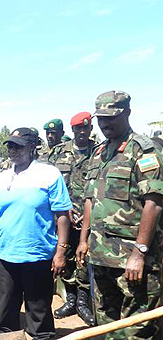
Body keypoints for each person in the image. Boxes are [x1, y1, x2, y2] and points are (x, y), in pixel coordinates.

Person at [76, 90, 163, 339]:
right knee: (107, 326)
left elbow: (154, 203)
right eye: (100, 119)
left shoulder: (144, 151)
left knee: (138, 329)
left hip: (133, 261)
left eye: (110, 118)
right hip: (101, 257)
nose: (104, 124)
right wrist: (84, 239)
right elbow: (91, 199)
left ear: (127, 113)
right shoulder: (99, 153)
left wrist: (140, 252)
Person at [0, 127, 72, 340]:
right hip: (6, 254)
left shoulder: (48, 174)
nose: (13, 150)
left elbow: (62, 214)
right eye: (10, 146)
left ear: (32, 148)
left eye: (18, 146)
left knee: (38, 312)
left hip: (37, 254)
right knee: (5, 311)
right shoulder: (3, 177)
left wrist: (61, 251)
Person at [48, 112, 96, 326]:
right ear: (73, 131)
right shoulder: (58, 153)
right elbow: (48, 182)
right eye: (78, 129)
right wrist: (64, 211)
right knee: (65, 257)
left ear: (91, 129)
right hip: (63, 218)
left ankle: (83, 302)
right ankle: (71, 299)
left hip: (90, 218)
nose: (82, 132)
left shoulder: (99, 151)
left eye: (86, 129)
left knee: (84, 259)